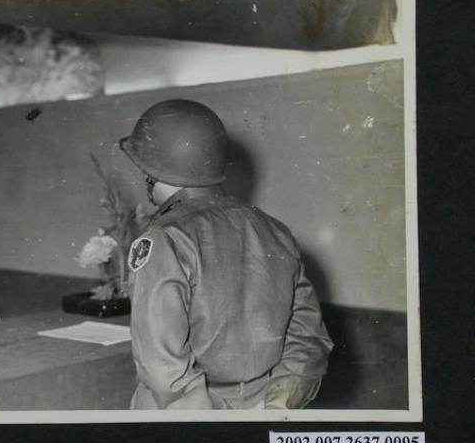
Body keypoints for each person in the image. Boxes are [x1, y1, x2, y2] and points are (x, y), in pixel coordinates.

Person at [119, 99, 333, 410]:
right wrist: (277, 404)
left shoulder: (165, 239)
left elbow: (163, 369)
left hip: (190, 413)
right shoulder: (276, 232)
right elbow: (308, 341)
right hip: (265, 404)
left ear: (151, 172)